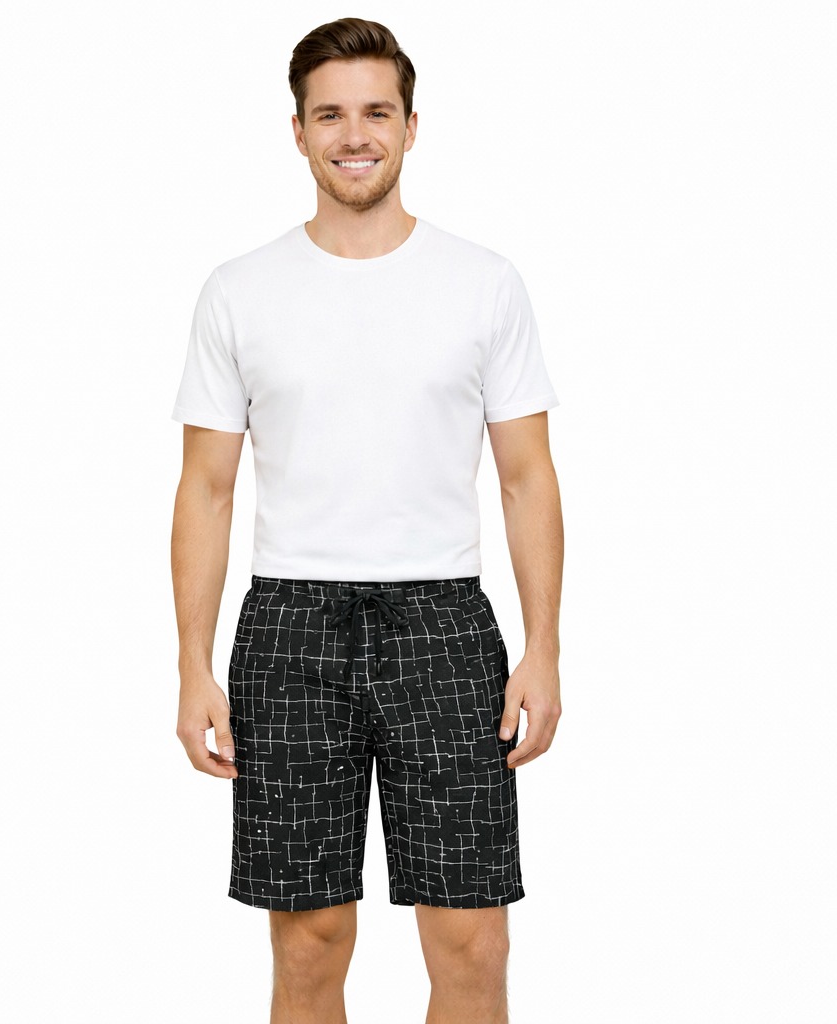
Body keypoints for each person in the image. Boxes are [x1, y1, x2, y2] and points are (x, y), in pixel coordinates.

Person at [170, 16, 563, 1023]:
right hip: (289, 628)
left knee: (472, 937)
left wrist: (544, 649)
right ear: (297, 132)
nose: (355, 135)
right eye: (331, 115)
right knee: (309, 941)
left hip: (445, 624)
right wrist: (192, 667)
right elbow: (206, 489)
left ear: (411, 127)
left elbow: (526, 477)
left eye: (377, 112)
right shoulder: (238, 291)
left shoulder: (484, 282)